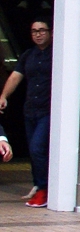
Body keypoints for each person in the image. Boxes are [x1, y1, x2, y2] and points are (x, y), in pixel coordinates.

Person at [0, 19, 54, 206]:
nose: (38, 34)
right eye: (34, 31)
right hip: (31, 109)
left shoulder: (57, 54)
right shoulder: (28, 55)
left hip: (49, 109)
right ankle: (38, 185)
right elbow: (15, 77)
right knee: (33, 149)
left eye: (42, 30)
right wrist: (4, 96)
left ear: (51, 32)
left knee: (38, 148)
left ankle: (45, 188)